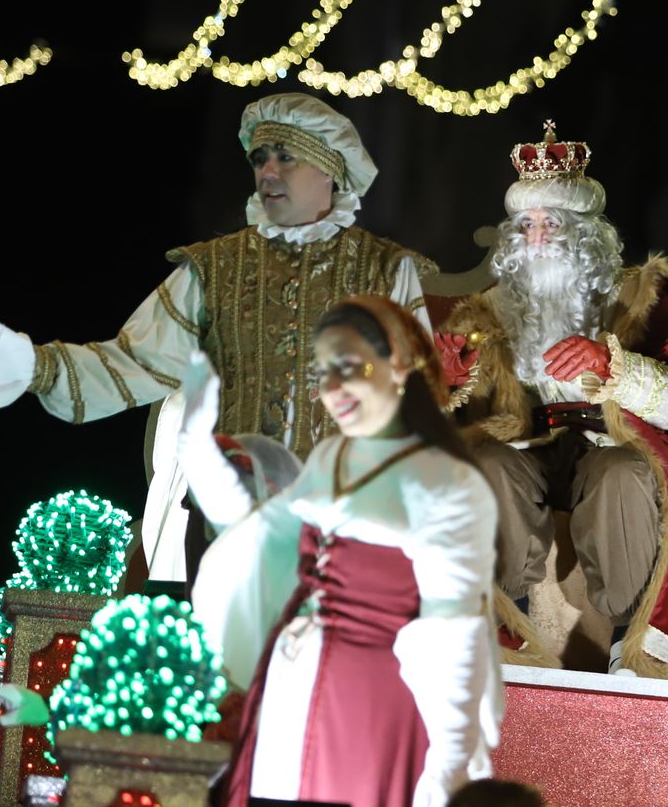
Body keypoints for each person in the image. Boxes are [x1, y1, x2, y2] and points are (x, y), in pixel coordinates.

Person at [0, 93, 434, 578]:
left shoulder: (385, 270)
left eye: (285, 157)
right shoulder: (214, 268)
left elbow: (416, 399)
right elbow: (133, 361)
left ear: (328, 167)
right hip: (228, 521)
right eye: (259, 159)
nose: (267, 172)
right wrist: (27, 362)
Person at [435, 121, 668, 676]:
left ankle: (630, 639)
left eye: (551, 223)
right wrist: (450, 385)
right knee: (488, 463)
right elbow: (454, 424)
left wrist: (612, 366)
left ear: (584, 234)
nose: (537, 238)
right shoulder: (489, 311)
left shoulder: (639, 300)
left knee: (620, 473)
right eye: (526, 225)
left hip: (611, 442)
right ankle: (510, 626)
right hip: (527, 448)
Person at [182, 296, 502, 807]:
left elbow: (455, 632)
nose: (332, 388)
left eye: (350, 367)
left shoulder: (446, 483)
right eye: (324, 371)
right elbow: (256, 536)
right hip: (287, 697)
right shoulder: (333, 457)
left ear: (399, 366)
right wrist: (195, 446)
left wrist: (449, 761)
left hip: (369, 714)